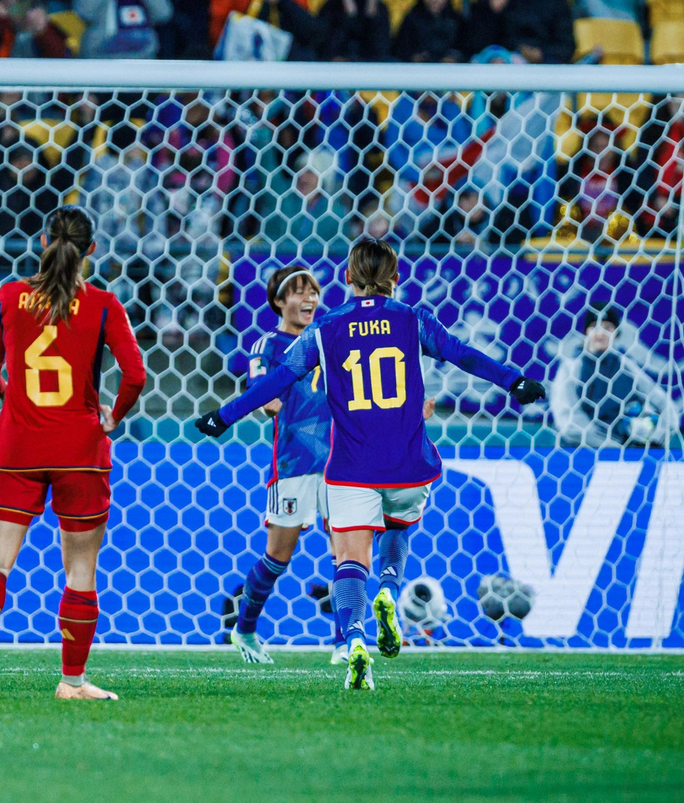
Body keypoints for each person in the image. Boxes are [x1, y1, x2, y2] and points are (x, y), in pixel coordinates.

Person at [196, 238, 546, 690]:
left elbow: (279, 380)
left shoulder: (327, 328)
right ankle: (389, 592)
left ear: (346, 280)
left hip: (348, 466)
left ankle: (354, 638)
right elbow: (462, 353)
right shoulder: (413, 320)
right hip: (407, 462)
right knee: (395, 535)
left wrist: (223, 415)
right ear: (396, 278)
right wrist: (513, 379)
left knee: (347, 557)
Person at [0, 206, 146, 701]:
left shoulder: (9, 296)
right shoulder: (104, 303)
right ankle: (72, 681)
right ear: (92, 251)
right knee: (81, 571)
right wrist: (112, 417)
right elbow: (135, 376)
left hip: (17, 447)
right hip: (81, 451)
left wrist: (15, 397)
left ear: (42, 241)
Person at [229, 267, 336, 665]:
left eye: (313, 291)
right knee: (277, 558)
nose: (309, 298)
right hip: (293, 465)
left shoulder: (326, 341)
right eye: (299, 292)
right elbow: (260, 394)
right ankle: (245, 630)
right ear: (278, 301)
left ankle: (345, 644)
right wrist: (265, 399)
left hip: (339, 464)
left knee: (345, 556)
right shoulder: (268, 344)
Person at [549, 305, 682, 447]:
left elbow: (664, 403)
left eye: (607, 328)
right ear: (586, 333)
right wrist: (614, 448)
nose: (600, 333)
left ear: (616, 334)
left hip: (627, 452)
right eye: (594, 327)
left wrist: (657, 437)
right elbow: (569, 423)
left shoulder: (625, 366)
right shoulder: (571, 368)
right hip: (581, 453)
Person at [393, 0, 465, 63]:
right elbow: (400, 49)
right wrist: (414, 57)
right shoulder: (411, 18)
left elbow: (466, 48)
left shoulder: (457, 19)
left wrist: (454, 58)